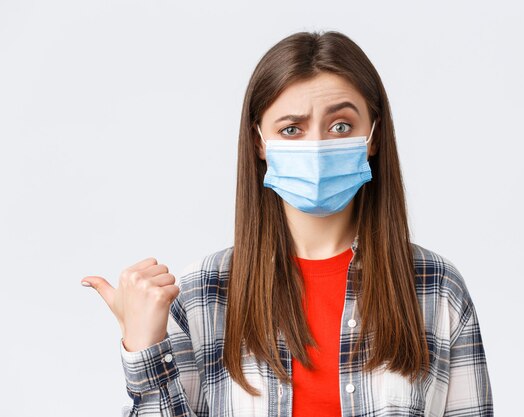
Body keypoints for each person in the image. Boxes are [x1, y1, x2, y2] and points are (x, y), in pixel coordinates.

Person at [81, 30, 493, 417]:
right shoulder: (200, 296)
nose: (315, 146)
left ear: (374, 136)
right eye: (292, 129)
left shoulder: (437, 288)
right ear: (259, 141)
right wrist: (144, 347)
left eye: (340, 126)